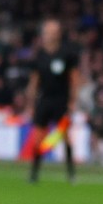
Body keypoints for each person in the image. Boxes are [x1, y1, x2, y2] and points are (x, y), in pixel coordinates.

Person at [23, 20, 80, 183]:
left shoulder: (67, 54)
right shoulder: (39, 55)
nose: (50, 34)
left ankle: (71, 173)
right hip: (44, 101)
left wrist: (72, 100)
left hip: (62, 101)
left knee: (65, 136)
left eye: (53, 31)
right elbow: (34, 81)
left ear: (58, 33)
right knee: (38, 138)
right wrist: (30, 103)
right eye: (47, 31)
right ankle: (34, 173)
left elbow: (74, 79)